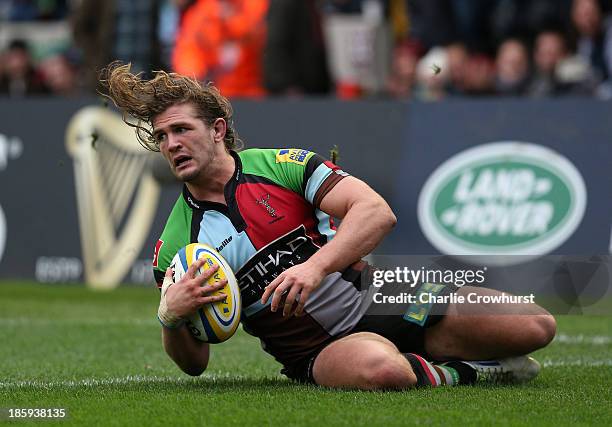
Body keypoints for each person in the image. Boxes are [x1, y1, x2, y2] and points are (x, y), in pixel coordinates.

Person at [101, 63, 557, 390]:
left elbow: (376, 211)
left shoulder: (282, 165)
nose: (172, 143)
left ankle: (438, 352)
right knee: (384, 373)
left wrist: (315, 267)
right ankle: (469, 371)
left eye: (181, 129)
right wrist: (171, 318)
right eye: (161, 136)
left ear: (218, 129)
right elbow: (195, 364)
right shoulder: (176, 245)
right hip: (317, 349)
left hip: (382, 297)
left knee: (535, 325)